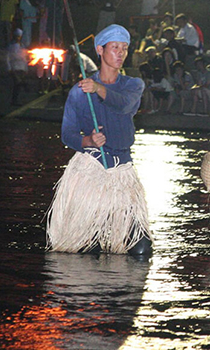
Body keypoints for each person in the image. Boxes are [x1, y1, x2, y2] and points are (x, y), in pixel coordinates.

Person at [47, 24, 152, 256]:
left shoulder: (133, 85)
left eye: (124, 48)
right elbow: (67, 134)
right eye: (115, 47)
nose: (121, 53)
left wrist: (98, 89)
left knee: (141, 249)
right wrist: (88, 141)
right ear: (100, 50)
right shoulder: (78, 92)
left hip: (122, 171)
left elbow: (124, 105)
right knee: (89, 249)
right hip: (91, 169)